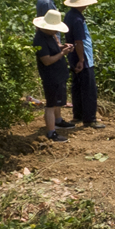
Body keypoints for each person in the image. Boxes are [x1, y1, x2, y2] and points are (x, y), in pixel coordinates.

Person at [63, 0, 105, 129]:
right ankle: (90, 119)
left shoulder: (69, 15)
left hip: (72, 56)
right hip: (83, 57)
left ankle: (78, 115)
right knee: (88, 89)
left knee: (77, 86)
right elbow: (79, 42)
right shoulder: (77, 19)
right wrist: (81, 60)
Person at [32, 7, 75, 141]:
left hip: (58, 75)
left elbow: (55, 48)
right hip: (51, 77)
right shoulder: (40, 40)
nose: (57, 31)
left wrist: (63, 47)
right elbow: (47, 60)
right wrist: (63, 53)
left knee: (57, 102)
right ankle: (51, 132)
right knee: (51, 104)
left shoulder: (51, 35)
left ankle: (58, 120)